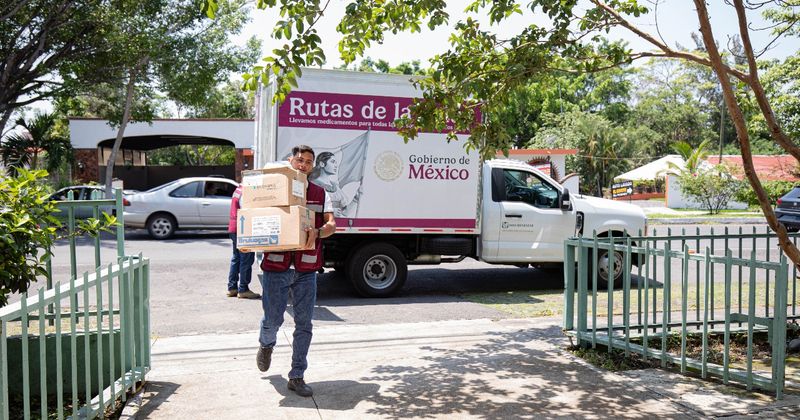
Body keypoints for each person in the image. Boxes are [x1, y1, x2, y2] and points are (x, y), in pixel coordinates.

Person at [256, 145, 336, 397]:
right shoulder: (273, 190)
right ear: (290, 161)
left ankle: (297, 375)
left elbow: (331, 224)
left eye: (308, 162)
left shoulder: (320, 193)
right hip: (276, 267)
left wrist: (319, 231)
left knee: (304, 324)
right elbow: (254, 216)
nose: (303, 165)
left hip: (307, 268)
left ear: (313, 167)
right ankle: (266, 344)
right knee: (273, 320)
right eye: (299, 160)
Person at [227, 183, 261, 299]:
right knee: (246, 259)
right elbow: (246, 211)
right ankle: (243, 289)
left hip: (233, 228)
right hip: (242, 229)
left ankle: (232, 288)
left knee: (236, 258)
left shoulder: (238, 190)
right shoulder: (246, 192)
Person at [308, 151, 361, 218]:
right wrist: (329, 211)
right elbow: (309, 208)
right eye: (332, 162)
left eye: (336, 163)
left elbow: (345, 213)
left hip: (337, 225)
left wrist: (356, 198)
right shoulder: (313, 184)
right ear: (322, 164)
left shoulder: (335, 186)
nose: (336, 165)